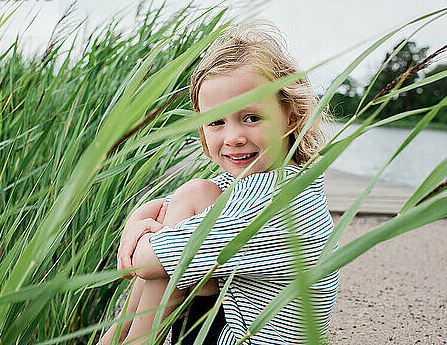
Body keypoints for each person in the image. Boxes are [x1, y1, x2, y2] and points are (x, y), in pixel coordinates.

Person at [99, 21, 339, 345]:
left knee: (190, 202)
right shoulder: (272, 177)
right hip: (236, 316)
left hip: (247, 336)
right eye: (216, 122)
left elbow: (144, 263)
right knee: (189, 202)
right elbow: (165, 211)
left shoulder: (276, 201)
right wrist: (137, 221)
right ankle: (120, 338)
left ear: (291, 116)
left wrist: (139, 241)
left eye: (252, 118)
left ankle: (132, 340)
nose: (234, 138)